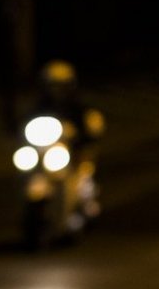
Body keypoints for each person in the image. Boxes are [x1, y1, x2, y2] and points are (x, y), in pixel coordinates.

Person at [30, 59, 104, 216]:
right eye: (52, 85)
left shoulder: (78, 109)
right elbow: (26, 124)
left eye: (60, 85)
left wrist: (83, 133)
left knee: (85, 178)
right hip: (46, 153)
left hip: (74, 155)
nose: (56, 90)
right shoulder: (39, 108)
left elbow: (92, 127)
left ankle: (86, 204)